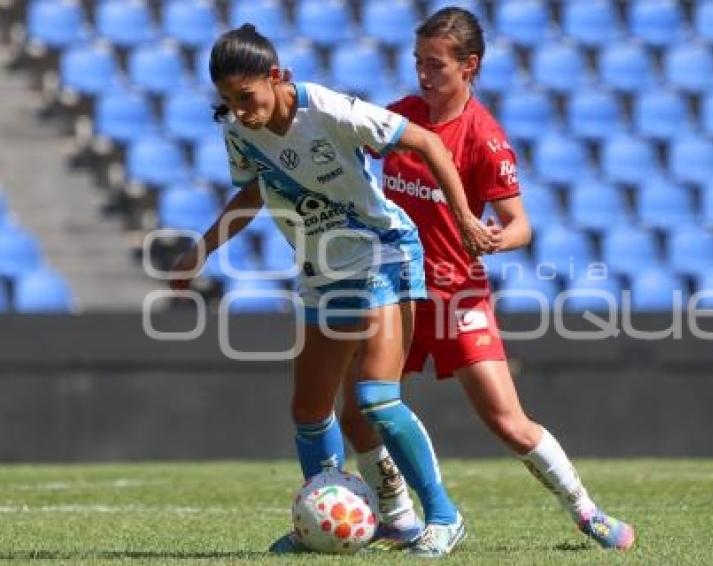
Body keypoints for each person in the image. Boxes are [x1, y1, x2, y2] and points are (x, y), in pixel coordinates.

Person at [169, 24, 496, 557]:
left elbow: (428, 141)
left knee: (374, 399)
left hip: (382, 254)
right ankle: (333, 519)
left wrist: (462, 217)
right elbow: (256, 189)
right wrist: (201, 251)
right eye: (227, 100)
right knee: (309, 408)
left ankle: (443, 514)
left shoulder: (328, 109)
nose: (239, 109)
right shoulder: (239, 128)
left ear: (275, 77)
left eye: (246, 96)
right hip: (322, 270)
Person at [338, 7, 635, 552]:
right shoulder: (401, 118)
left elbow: (521, 226)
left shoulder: (483, 137)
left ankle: (586, 511)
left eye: (436, 65)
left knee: (507, 421)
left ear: (469, 66)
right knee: (354, 413)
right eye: (418, 63)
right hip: (399, 292)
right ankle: (399, 515)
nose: (424, 75)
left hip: (458, 294)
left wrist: (493, 237)